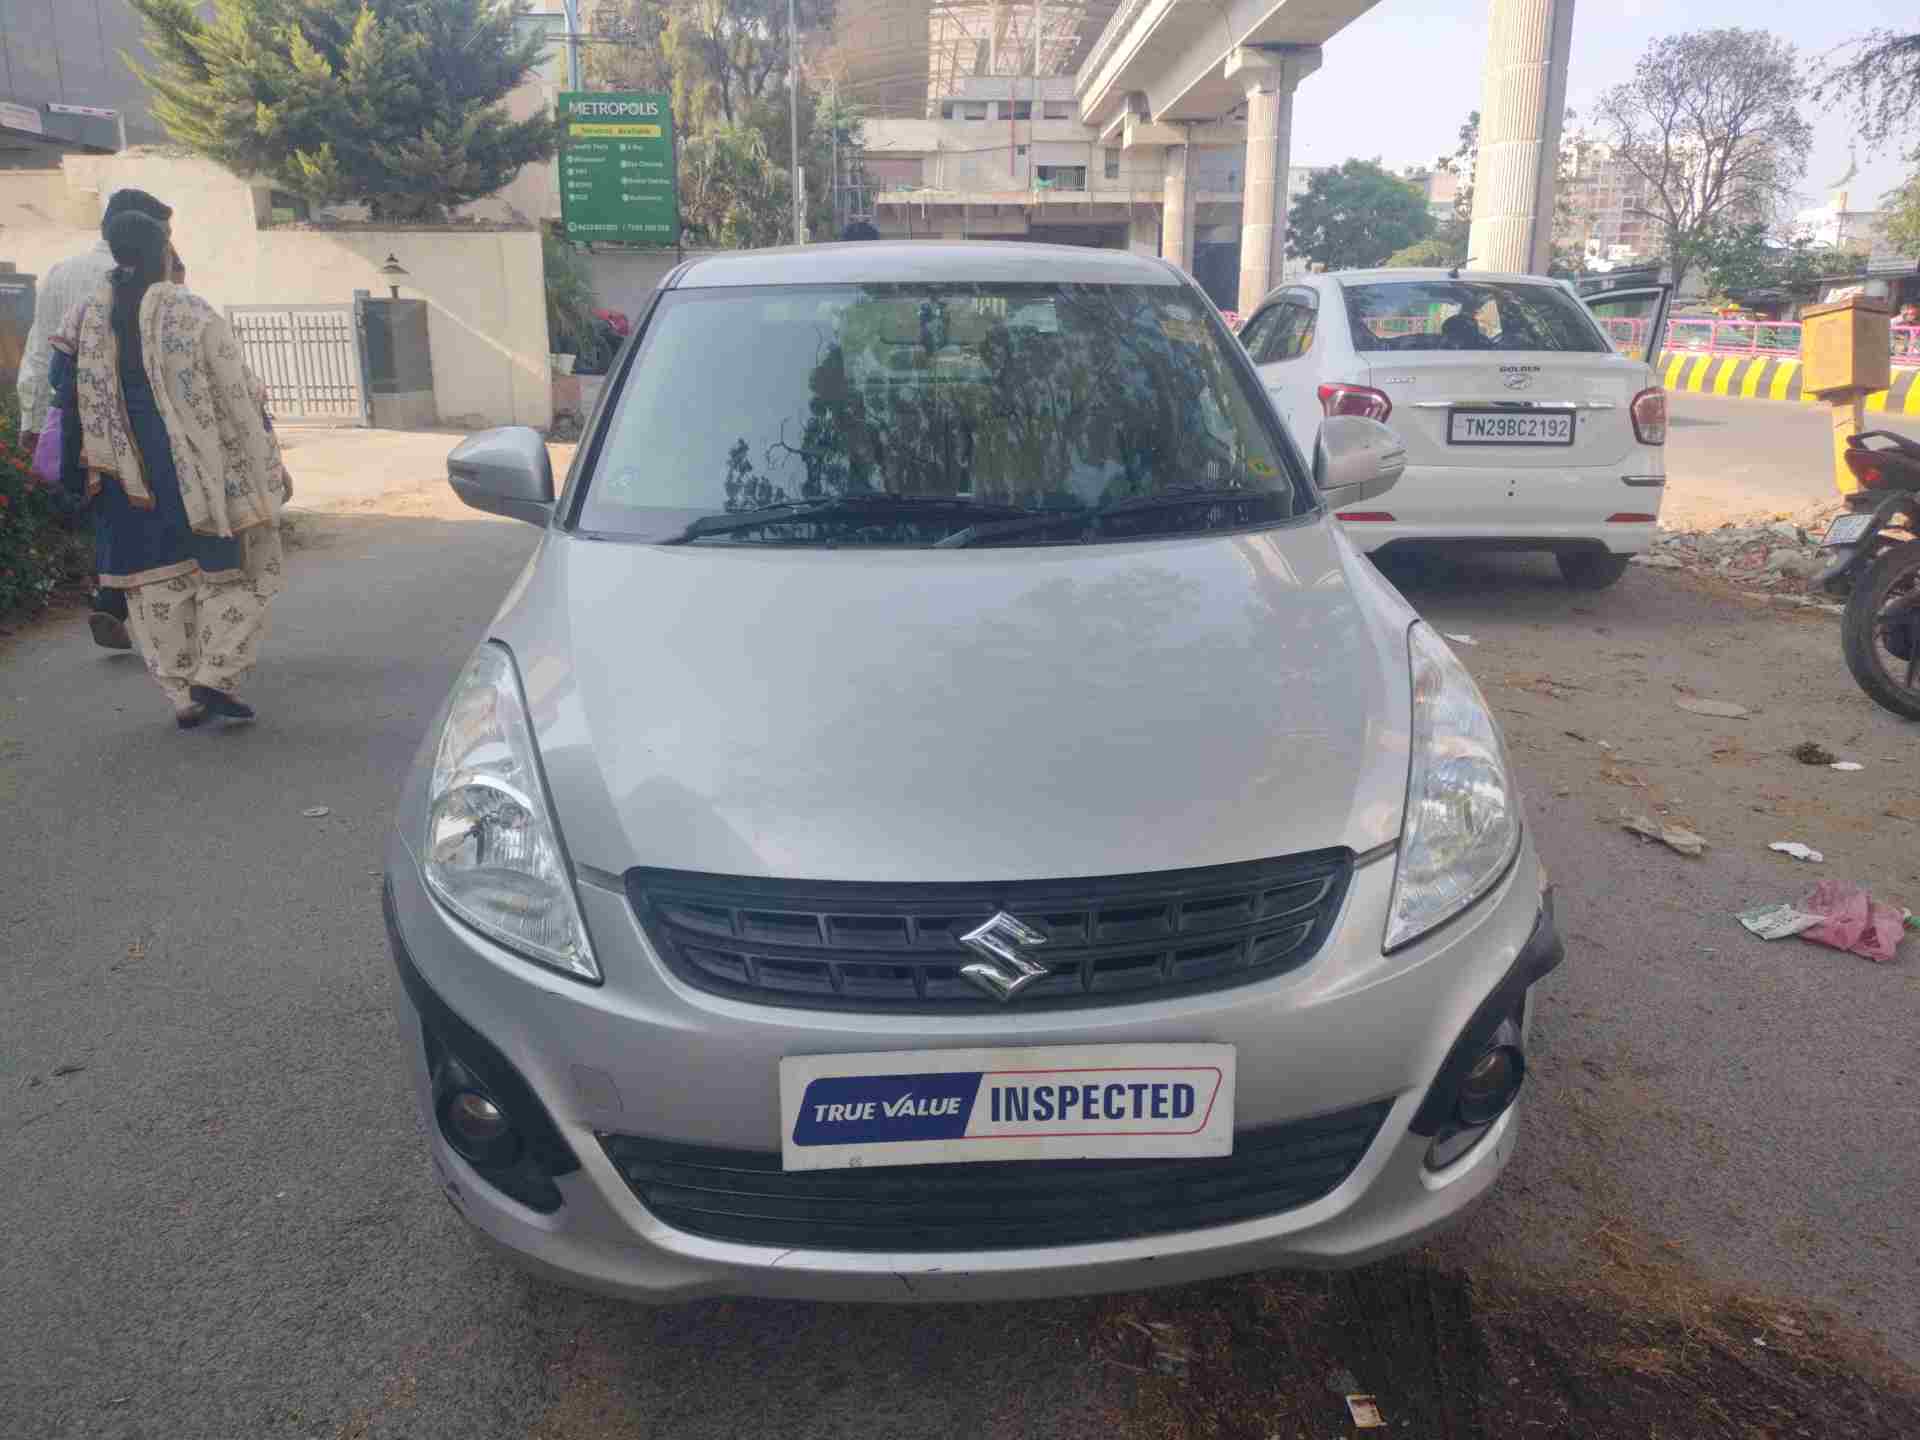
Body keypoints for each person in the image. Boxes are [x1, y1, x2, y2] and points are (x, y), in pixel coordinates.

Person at [49, 211, 290, 729]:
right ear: (163, 251)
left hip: (122, 477)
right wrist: (266, 458)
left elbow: (62, 391)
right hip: (198, 471)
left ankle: (183, 695)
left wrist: (74, 471)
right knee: (238, 571)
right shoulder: (189, 311)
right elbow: (238, 390)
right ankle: (216, 673)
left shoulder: (83, 316)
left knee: (152, 584)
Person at [18, 188, 177, 651]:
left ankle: (111, 598)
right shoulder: (154, 279)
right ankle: (145, 608)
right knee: (154, 511)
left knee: (105, 506)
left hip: (81, 423)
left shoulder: (61, 273)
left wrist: (32, 421)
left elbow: (40, 350)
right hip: (143, 421)